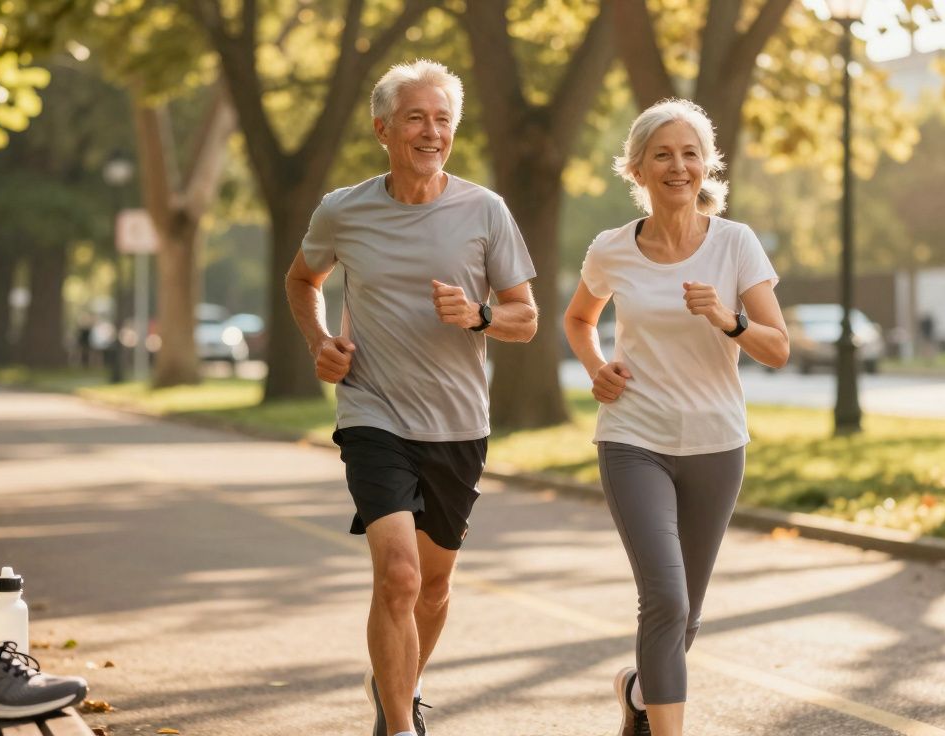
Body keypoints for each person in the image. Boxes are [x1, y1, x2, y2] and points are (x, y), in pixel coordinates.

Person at [286, 59, 537, 736]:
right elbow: (302, 279)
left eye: (442, 120)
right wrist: (320, 341)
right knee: (397, 575)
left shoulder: (485, 210)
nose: (431, 132)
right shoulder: (344, 209)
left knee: (433, 585)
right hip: (373, 412)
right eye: (416, 118)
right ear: (383, 129)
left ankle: (399, 683)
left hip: (457, 422)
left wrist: (480, 316)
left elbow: (526, 318)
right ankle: (399, 726)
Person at [563, 99, 790, 736]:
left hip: (717, 444)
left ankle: (640, 692)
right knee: (664, 597)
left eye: (690, 154)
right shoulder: (612, 249)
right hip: (634, 438)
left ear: (706, 165)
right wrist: (596, 366)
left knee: (684, 612)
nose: (678, 166)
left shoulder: (736, 244)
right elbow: (578, 318)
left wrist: (728, 319)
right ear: (637, 169)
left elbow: (778, 348)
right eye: (662, 155)